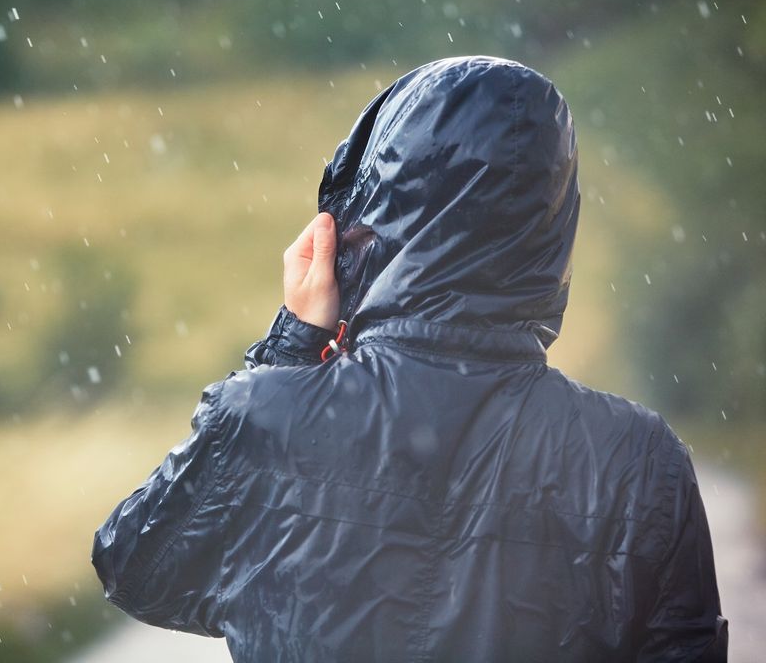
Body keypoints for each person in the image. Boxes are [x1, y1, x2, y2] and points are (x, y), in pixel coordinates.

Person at [91, 55, 728, 661]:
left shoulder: (264, 417)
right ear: (553, 227)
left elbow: (139, 572)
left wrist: (292, 340)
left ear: (361, 223)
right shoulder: (640, 458)